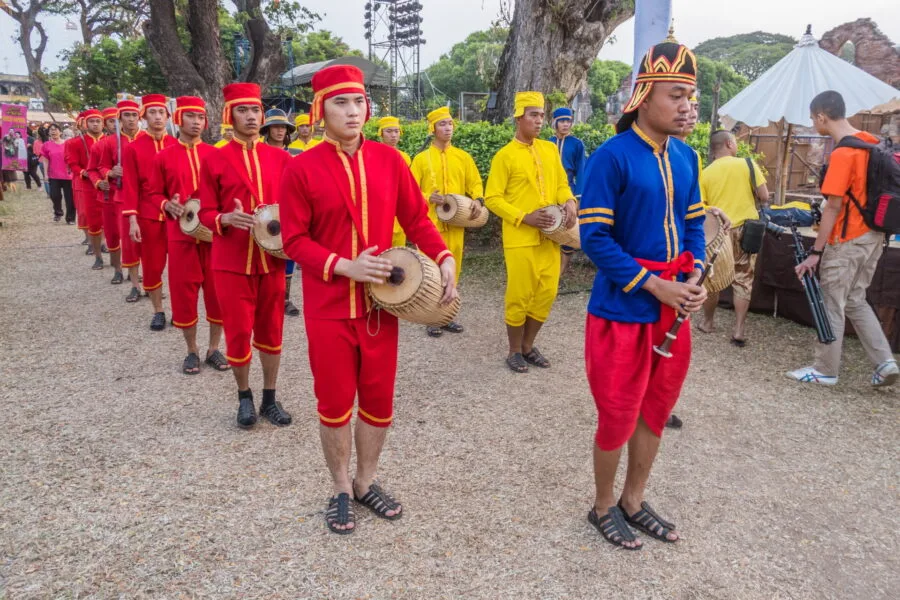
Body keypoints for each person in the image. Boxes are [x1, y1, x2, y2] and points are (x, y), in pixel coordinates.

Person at [280, 65, 456, 535]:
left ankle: (364, 481)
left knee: (378, 401)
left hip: (383, 306)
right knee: (335, 402)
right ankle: (339, 486)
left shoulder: (390, 160)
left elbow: (417, 218)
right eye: (341, 102)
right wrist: (345, 265)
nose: (353, 111)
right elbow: (293, 240)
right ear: (320, 110)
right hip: (328, 306)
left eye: (358, 102)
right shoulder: (300, 167)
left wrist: (442, 256)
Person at [580, 36, 707, 549]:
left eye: (690, 97)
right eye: (675, 95)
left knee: (655, 408)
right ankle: (603, 505)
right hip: (622, 307)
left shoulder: (688, 158)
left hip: (673, 306)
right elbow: (595, 238)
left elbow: (695, 226)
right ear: (645, 93)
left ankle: (634, 500)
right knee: (617, 413)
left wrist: (693, 275)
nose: (686, 106)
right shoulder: (612, 157)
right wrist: (655, 285)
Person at [197, 82, 293, 429]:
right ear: (230, 115)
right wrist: (223, 218)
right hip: (231, 260)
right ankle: (244, 397)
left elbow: (296, 207)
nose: (251, 117)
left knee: (272, 331)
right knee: (237, 334)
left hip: (272, 260)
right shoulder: (214, 158)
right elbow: (203, 211)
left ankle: (269, 396)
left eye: (255, 110)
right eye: (243, 110)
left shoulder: (281, 158)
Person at [788, 90, 898, 387]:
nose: (814, 124)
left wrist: (816, 252)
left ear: (822, 116)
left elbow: (833, 207)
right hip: (875, 237)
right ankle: (884, 361)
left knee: (831, 302)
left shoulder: (843, 153)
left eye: (813, 119)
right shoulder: (874, 143)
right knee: (855, 299)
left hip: (847, 239)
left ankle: (825, 369)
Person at [484, 91, 576, 374]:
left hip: (551, 236)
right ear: (519, 118)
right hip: (520, 238)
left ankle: (528, 345)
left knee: (546, 292)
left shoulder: (549, 150)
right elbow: (493, 198)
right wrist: (524, 217)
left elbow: (561, 183)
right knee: (519, 294)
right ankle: (514, 350)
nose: (540, 121)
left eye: (541, 115)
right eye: (533, 115)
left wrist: (570, 200)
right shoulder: (505, 156)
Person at [150, 96, 229, 375]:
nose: (197, 123)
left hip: (213, 234)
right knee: (184, 293)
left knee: (217, 292)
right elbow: (153, 192)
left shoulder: (215, 154)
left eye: (200, 117)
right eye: (191, 117)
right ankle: (192, 350)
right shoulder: (163, 157)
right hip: (179, 234)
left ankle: (213, 348)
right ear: (178, 118)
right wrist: (165, 204)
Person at [410, 106, 484, 337]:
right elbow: (410, 191)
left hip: (456, 224)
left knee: (454, 268)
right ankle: (431, 317)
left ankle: (447, 314)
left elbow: (475, 184)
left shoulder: (463, 157)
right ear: (433, 129)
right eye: (442, 124)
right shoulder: (421, 159)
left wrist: (478, 201)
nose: (448, 128)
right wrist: (426, 197)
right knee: (430, 271)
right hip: (429, 226)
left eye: (450, 123)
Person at [699, 130, 769, 344]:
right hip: (746, 231)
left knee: (713, 279)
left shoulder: (705, 173)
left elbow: (703, 207)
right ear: (730, 143)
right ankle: (738, 330)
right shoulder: (747, 165)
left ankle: (708, 322)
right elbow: (764, 196)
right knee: (743, 279)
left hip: (719, 232)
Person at [122, 94, 177, 330]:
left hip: (175, 216)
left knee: (179, 267)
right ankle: (158, 310)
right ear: (144, 117)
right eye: (152, 113)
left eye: (161, 112)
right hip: (148, 214)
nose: (157, 117)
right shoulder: (133, 148)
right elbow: (131, 185)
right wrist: (132, 220)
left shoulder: (176, 145)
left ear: (167, 116)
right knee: (153, 266)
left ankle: (180, 309)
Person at [92, 99, 143, 299]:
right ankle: (134, 284)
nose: (131, 119)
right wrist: (111, 172)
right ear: (119, 118)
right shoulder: (110, 142)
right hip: (121, 197)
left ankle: (151, 282)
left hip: (146, 197)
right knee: (128, 242)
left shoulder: (147, 138)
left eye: (134, 115)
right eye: (126, 115)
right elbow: (101, 167)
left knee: (148, 244)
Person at [260, 108, 302, 317]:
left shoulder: (296, 155)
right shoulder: (257, 153)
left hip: (288, 209)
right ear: (266, 129)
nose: (279, 131)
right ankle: (265, 296)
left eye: (283, 127)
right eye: (275, 126)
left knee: (288, 254)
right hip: (263, 211)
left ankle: (285, 298)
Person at [87, 107, 126, 283]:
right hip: (109, 196)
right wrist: (99, 181)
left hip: (130, 195)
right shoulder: (100, 145)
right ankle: (117, 268)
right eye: (111, 121)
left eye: (116, 120)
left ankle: (133, 267)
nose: (115, 125)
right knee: (112, 233)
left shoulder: (132, 141)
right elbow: (93, 170)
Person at [548, 107, 586, 275]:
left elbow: (582, 171)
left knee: (568, 228)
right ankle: (548, 269)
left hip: (568, 190)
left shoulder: (577, 144)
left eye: (568, 121)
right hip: (548, 190)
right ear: (555, 123)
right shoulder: (547, 143)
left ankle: (560, 273)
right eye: (562, 121)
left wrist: (577, 197)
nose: (565, 124)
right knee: (550, 228)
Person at [65, 110, 105, 258]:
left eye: (98, 121)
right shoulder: (74, 142)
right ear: (85, 123)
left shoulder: (109, 141)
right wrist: (84, 172)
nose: (95, 124)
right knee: (85, 213)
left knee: (105, 213)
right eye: (92, 121)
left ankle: (103, 242)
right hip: (85, 183)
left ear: (103, 123)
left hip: (105, 182)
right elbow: (72, 163)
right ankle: (90, 241)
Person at [376, 115, 412, 248]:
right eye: (389, 131)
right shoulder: (372, 155)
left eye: (396, 131)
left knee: (398, 256)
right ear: (381, 133)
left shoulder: (405, 158)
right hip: (379, 213)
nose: (393, 135)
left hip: (399, 212)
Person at [39, 123, 73, 223]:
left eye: (55, 129)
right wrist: (45, 174)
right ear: (49, 132)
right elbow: (45, 160)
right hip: (54, 175)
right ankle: (58, 213)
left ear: (60, 131)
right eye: (51, 130)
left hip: (68, 175)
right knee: (54, 195)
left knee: (70, 198)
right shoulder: (46, 145)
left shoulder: (68, 143)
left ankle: (70, 218)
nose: (53, 131)